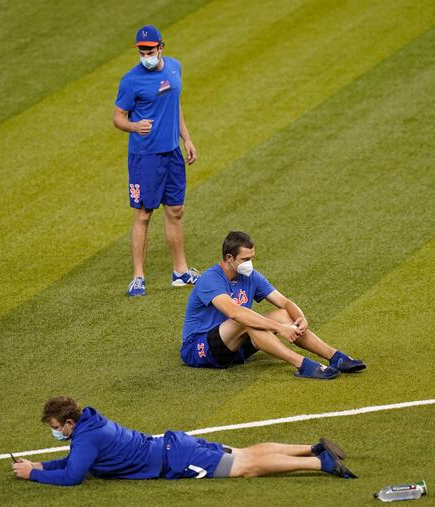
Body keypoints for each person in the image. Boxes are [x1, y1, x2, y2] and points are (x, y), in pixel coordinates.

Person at [12, 396, 356, 485]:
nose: (55, 432)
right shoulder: (90, 425)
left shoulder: (86, 437)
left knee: (247, 468)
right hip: (174, 444)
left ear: (69, 422)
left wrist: (34, 474)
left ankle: (318, 462)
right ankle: (312, 448)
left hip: (176, 460)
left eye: (56, 426)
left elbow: (74, 476)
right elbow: (75, 463)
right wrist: (42, 464)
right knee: (245, 453)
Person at [180, 231, 366, 379]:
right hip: (200, 349)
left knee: (285, 314)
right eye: (245, 259)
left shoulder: (250, 276)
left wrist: (300, 318)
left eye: (252, 258)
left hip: (236, 347)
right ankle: (302, 364)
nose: (250, 264)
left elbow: (284, 302)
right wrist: (280, 329)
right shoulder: (210, 279)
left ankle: (335, 357)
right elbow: (234, 313)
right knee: (246, 319)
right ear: (229, 258)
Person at [113, 25, 199, 297]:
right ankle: (138, 277)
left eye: (149, 50)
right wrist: (134, 127)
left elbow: (175, 104)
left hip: (171, 152)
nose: (145, 54)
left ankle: (180, 272)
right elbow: (118, 117)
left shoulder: (175, 67)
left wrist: (186, 138)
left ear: (161, 47)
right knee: (143, 214)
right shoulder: (130, 81)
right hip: (145, 157)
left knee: (176, 211)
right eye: (141, 50)